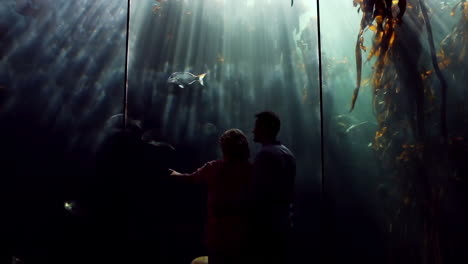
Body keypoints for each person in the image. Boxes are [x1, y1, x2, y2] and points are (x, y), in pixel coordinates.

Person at [170, 129, 252, 264]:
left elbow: (191, 178)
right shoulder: (251, 170)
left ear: (224, 148)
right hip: (242, 233)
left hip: (217, 233)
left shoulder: (214, 168)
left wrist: (176, 175)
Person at [248, 111, 296, 264]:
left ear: (265, 128)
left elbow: (257, 193)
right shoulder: (288, 153)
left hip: (267, 226)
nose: (253, 130)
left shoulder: (265, 155)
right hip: (284, 222)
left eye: (256, 126)